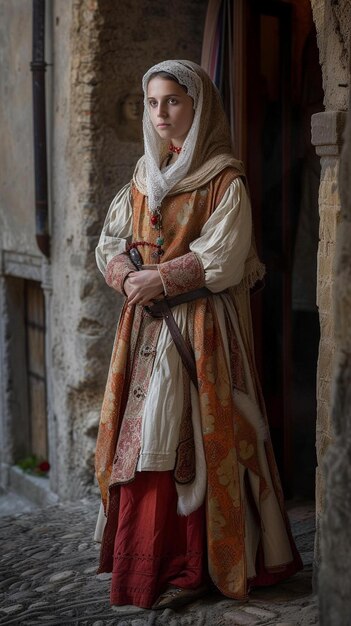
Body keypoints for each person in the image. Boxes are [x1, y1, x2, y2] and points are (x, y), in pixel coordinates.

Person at [94, 60, 303, 611]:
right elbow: (110, 240)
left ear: (198, 106)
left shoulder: (224, 180)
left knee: (192, 437)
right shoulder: (143, 175)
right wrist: (125, 275)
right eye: (154, 103)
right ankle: (147, 562)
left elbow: (224, 260)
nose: (162, 113)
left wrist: (158, 278)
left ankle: (198, 564)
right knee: (140, 445)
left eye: (174, 102)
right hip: (142, 328)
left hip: (199, 328)